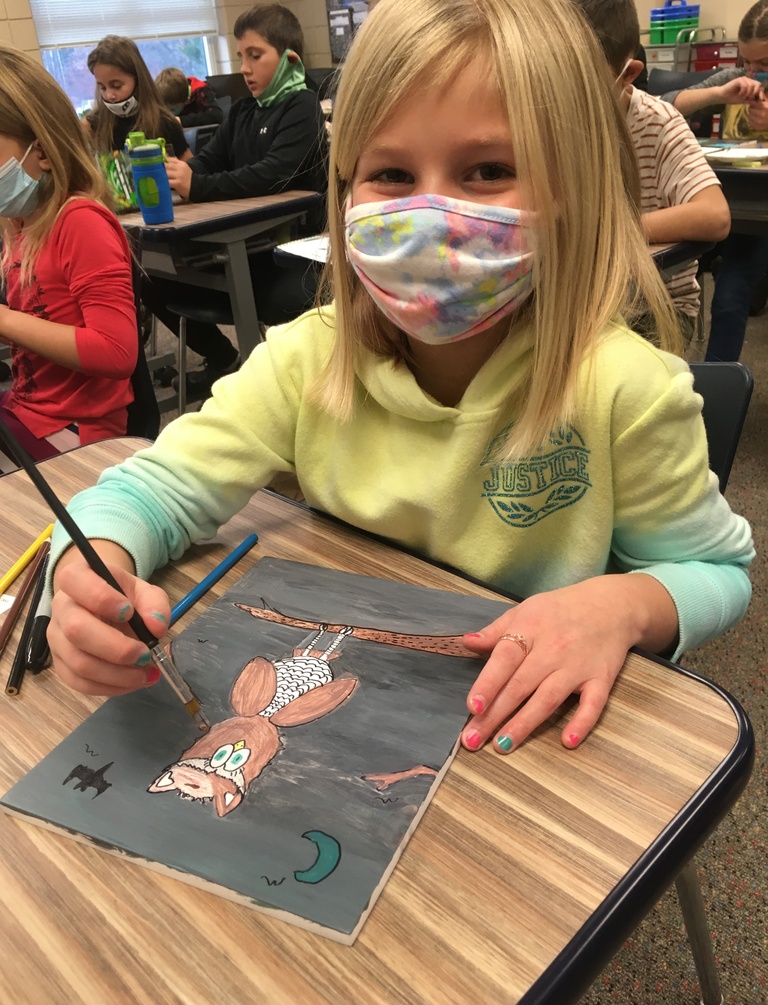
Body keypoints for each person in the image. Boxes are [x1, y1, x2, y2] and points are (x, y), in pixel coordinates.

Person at [47, 0, 753, 759]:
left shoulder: (625, 388)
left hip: (530, 743)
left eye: (488, 171)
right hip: (357, 717)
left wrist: (622, 606)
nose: (429, 213)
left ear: (572, 192)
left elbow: (715, 571)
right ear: (345, 192)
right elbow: (150, 489)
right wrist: (89, 569)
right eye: (389, 174)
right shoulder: (307, 358)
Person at [151, 3, 328, 400]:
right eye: (240, 58)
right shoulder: (245, 110)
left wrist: (199, 186)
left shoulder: (301, 106)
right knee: (155, 286)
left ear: (289, 59)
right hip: (239, 249)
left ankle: (277, 392)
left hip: (290, 253)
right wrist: (181, 173)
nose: (245, 68)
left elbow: (273, 173)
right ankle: (224, 359)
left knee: (277, 300)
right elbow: (211, 159)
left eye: (255, 55)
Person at [0, 45, 137, 463]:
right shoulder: (21, 224)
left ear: (40, 151)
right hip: (32, 411)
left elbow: (117, 350)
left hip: (79, 432)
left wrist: (4, 320)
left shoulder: (79, 221)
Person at [574, 0, 731, 344]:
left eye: (586, 85)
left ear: (628, 75)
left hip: (655, 303)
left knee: (594, 366)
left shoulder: (658, 122)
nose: (571, 100)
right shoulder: (551, 121)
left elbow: (715, 216)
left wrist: (610, 232)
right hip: (578, 297)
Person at [661, 0, 768, 361]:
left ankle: (717, 395)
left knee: (731, 294)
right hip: (728, 207)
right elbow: (662, 103)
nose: (754, 74)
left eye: (764, 65)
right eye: (746, 63)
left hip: (756, 219)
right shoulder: (737, 79)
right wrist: (720, 93)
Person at [83, 36, 191, 162]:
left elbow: (189, 169)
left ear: (138, 80)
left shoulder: (165, 123)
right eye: (102, 87)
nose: (109, 96)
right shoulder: (92, 126)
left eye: (116, 86)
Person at [154, 67, 225, 128]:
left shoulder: (201, 92)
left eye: (173, 109)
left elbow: (216, 116)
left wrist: (181, 121)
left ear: (187, 100)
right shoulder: (161, 95)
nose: (170, 113)